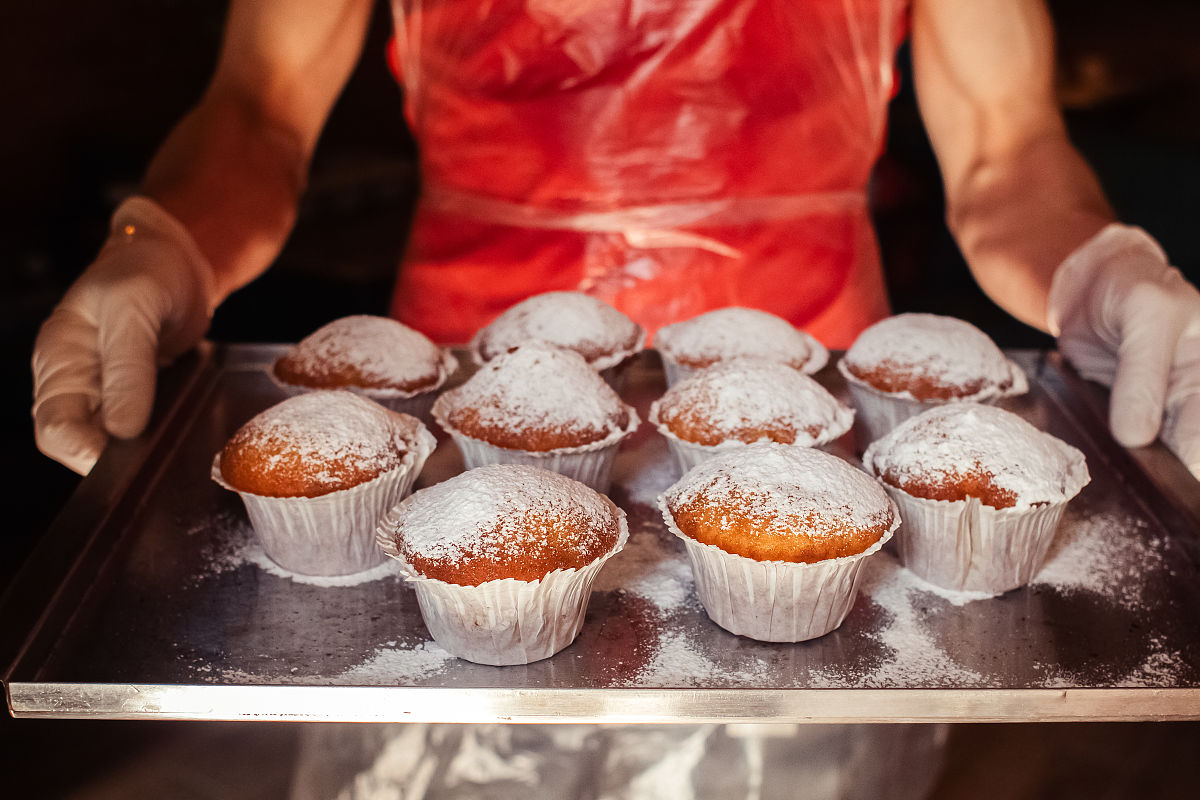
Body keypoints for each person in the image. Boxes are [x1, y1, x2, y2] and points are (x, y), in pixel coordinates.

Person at [27, 0, 1200, 797]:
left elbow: (1004, 146)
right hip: (460, 422)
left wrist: (1099, 260)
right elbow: (261, 107)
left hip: (807, 421)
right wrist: (163, 239)